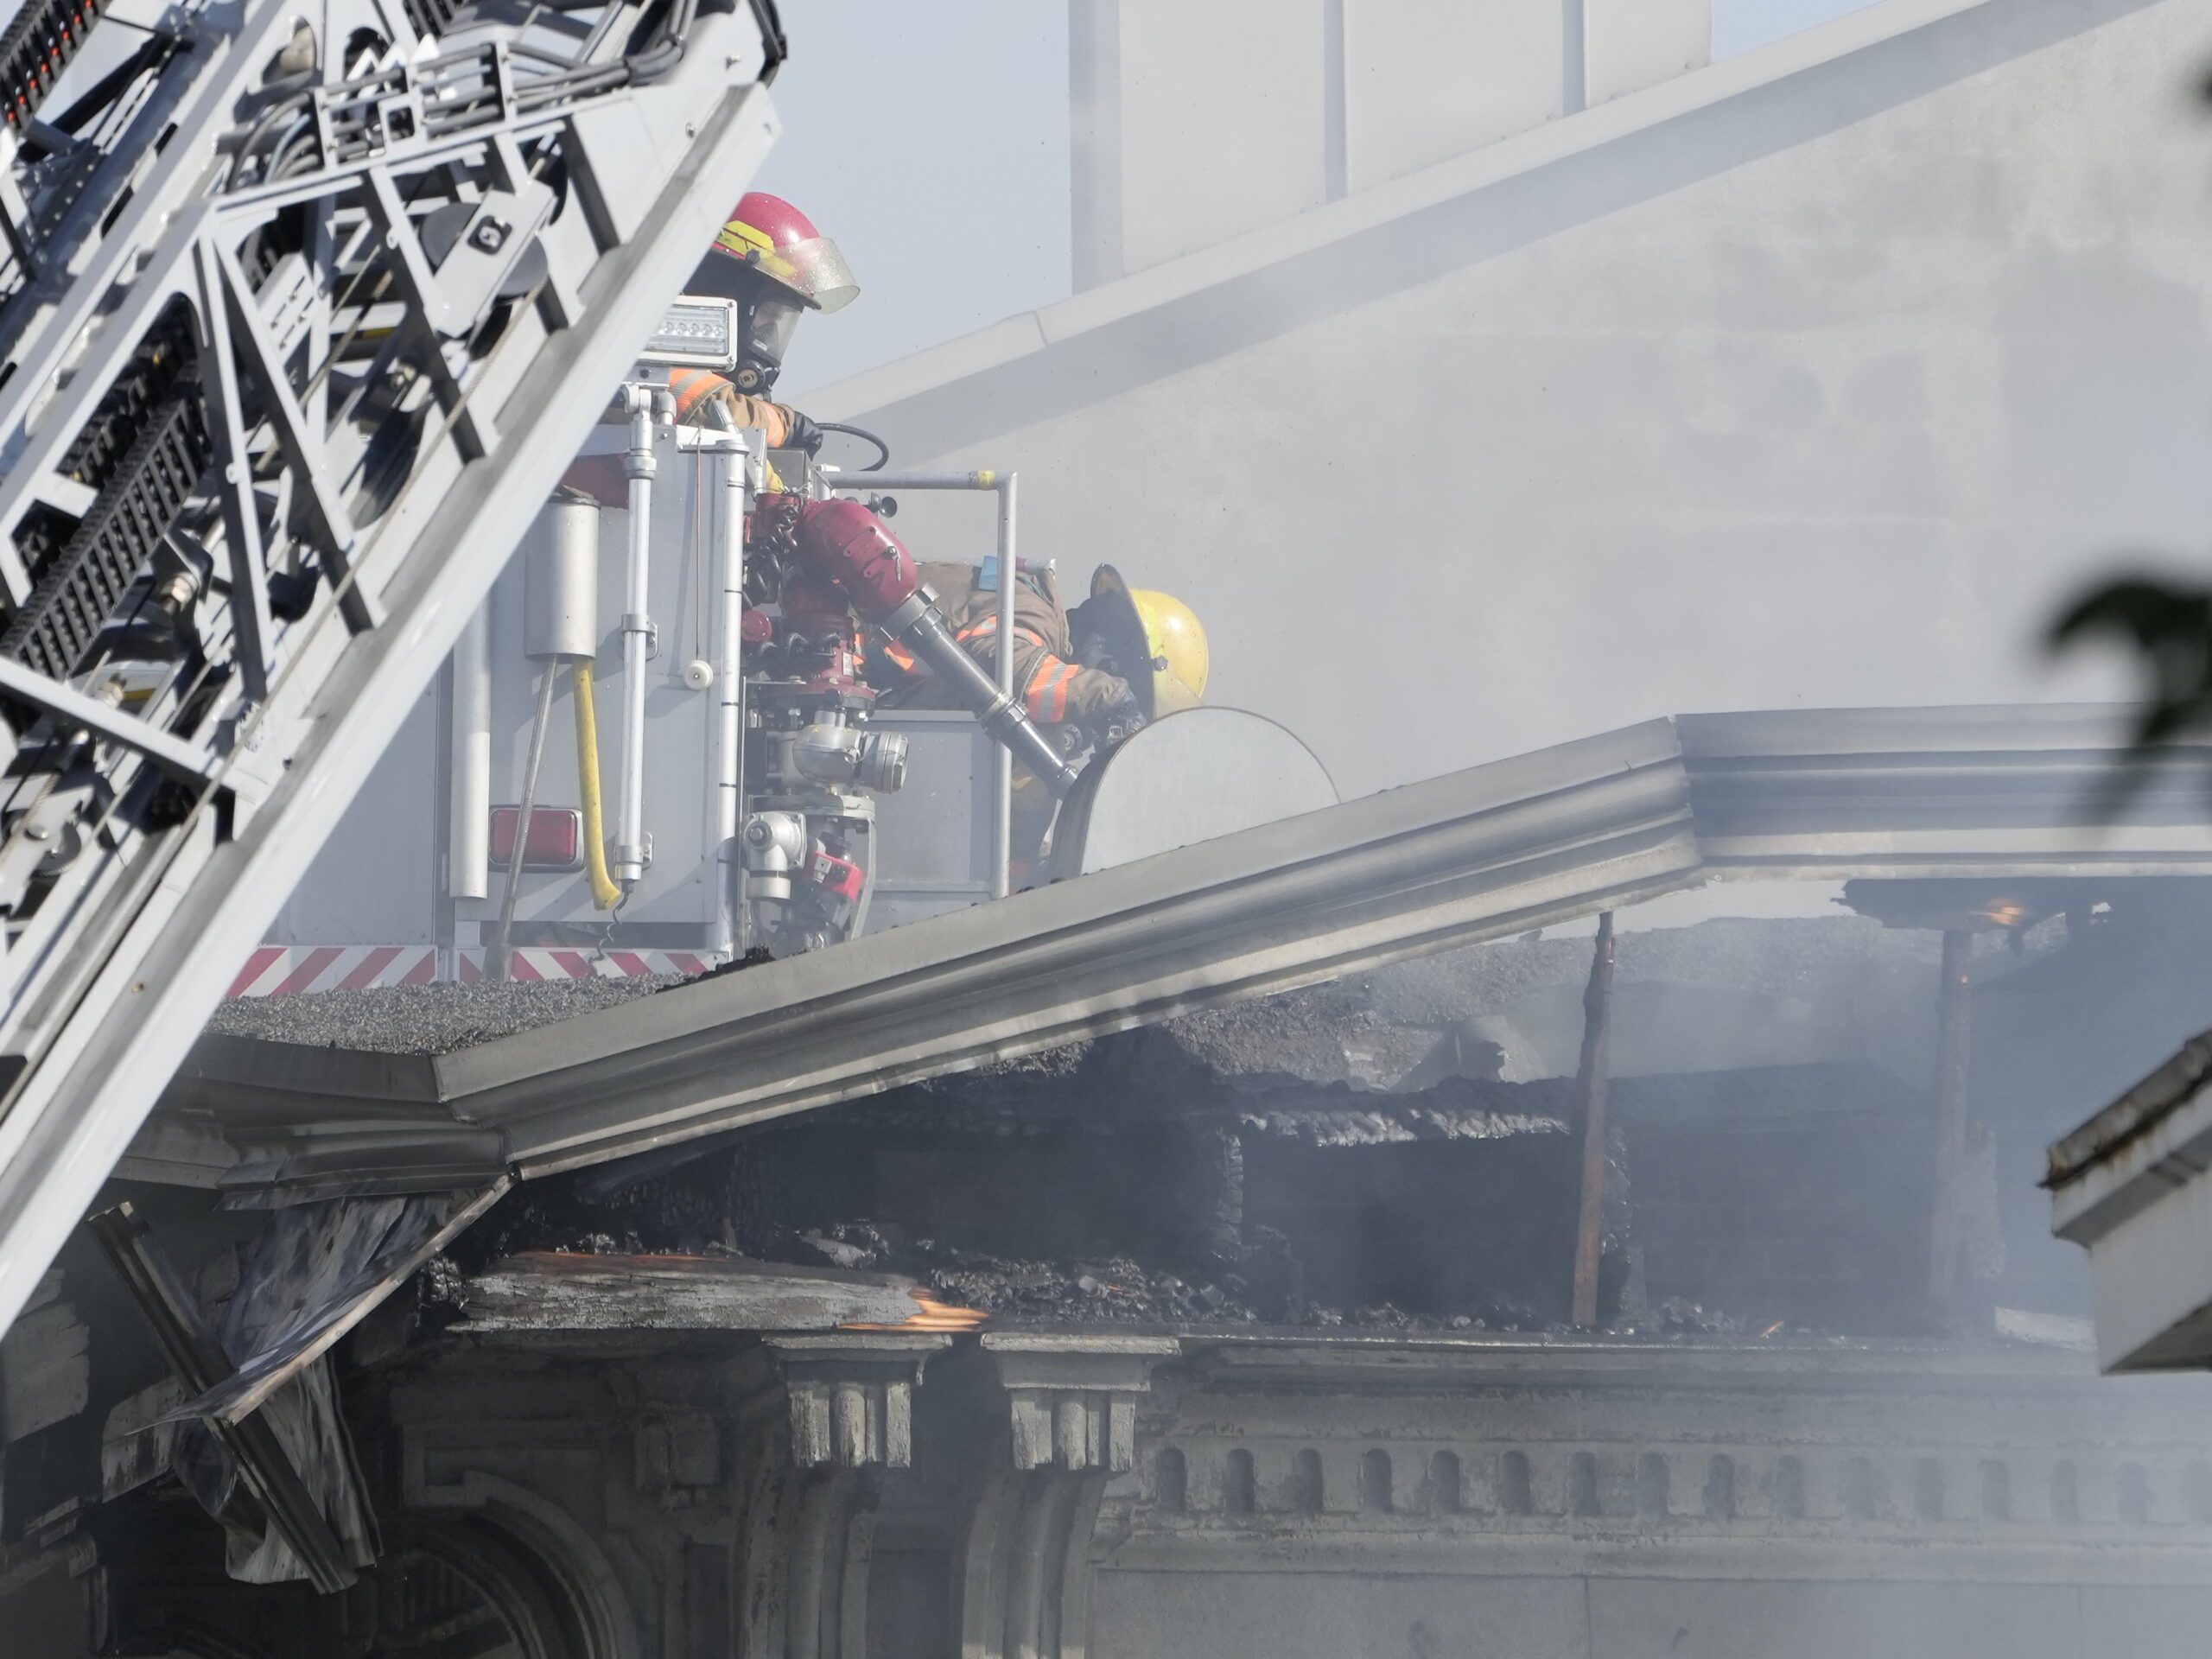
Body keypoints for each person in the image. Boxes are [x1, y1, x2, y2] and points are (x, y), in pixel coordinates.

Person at [875, 558, 1209, 858]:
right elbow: (1000, 665)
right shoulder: (1030, 608)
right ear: (1116, 664)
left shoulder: (1036, 625)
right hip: (845, 675)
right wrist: (1108, 700)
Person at [665, 191, 859, 447]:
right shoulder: (652, 351)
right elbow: (707, 405)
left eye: (781, 320)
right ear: (724, 293)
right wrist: (785, 424)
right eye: (768, 313)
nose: (769, 334)